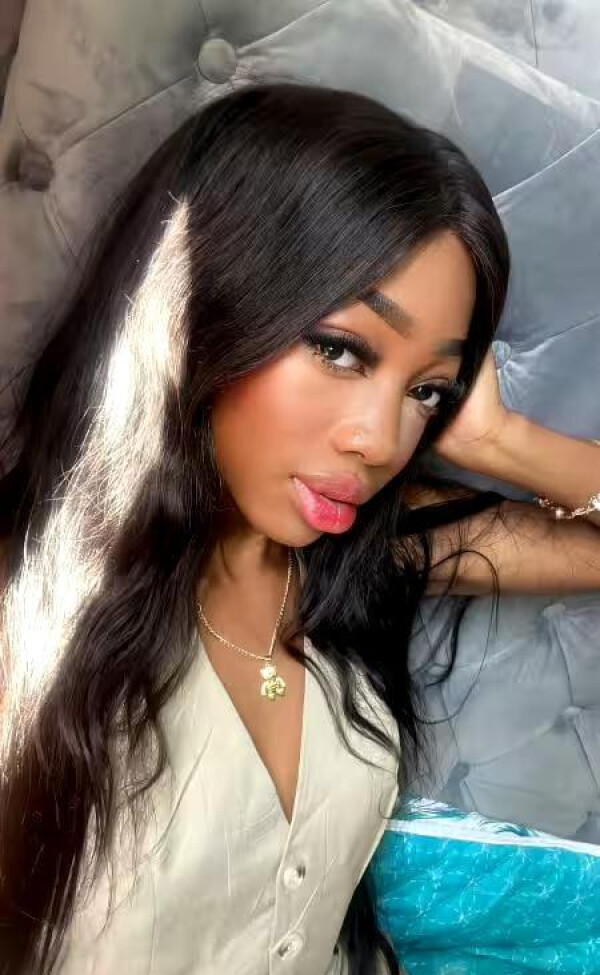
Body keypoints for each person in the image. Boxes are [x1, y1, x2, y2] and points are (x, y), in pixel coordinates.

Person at [0, 83, 598, 975]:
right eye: (340, 348)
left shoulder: (358, 549)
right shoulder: (25, 608)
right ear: (199, 305)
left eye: (425, 391)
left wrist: (498, 439)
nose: (380, 440)